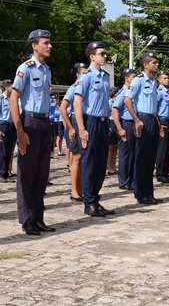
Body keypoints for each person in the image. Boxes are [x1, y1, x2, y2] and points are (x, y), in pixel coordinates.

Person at [10, 29, 55, 235]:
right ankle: (27, 219)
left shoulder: (46, 70)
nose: (49, 46)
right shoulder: (25, 69)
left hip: (45, 123)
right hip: (29, 121)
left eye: (49, 43)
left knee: (41, 174)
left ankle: (38, 218)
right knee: (27, 175)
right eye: (45, 43)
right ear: (34, 45)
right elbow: (13, 99)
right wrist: (20, 131)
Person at [73, 41, 114, 217]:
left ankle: (95, 200)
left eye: (105, 54)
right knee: (89, 163)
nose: (105, 56)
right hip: (91, 122)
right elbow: (77, 103)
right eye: (102, 54)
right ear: (92, 56)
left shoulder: (105, 76)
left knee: (100, 164)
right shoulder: (86, 77)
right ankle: (88, 202)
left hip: (103, 123)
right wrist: (82, 128)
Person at [124, 52, 162, 206]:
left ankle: (149, 193)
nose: (157, 65)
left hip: (153, 119)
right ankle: (140, 193)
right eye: (154, 62)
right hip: (143, 118)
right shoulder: (138, 81)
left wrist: (158, 123)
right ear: (146, 65)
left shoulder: (154, 82)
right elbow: (127, 100)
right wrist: (136, 120)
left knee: (150, 158)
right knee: (141, 158)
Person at [59, 62, 89, 201]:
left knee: (82, 158)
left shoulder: (86, 87)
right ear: (77, 74)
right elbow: (63, 108)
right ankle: (74, 191)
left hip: (84, 121)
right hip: (75, 124)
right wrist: (70, 127)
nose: (85, 74)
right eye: (83, 72)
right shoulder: (74, 88)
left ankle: (80, 189)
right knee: (76, 158)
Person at [112, 68, 136, 191]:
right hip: (126, 123)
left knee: (133, 153)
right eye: (133, 77)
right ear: (127, 79)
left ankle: (131, 179)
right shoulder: (123, 92)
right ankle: (124, 181)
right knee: (125, 154)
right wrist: (120, 128)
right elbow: (115, 110)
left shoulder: (133, 92)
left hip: (134, 124)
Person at [155, 73, 169, 184]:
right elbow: (155, 109)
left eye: (168, 77)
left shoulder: (168, 92)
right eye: (164, 78)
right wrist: (159, 125)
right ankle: (160, 174)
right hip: (162, 121)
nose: (167, 79)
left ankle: (165, 173)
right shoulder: (159, 92)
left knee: (167, 149)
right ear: (159, 80)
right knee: (162, 149)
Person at [0, 80, 16, 184]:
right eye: (11, 86)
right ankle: (0, 174)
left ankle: (6, 173)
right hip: (2, 125)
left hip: (11, 126)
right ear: (7, 87)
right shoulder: (0, 99)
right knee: (2, 151)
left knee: (9, 151)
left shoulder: (12, 99)